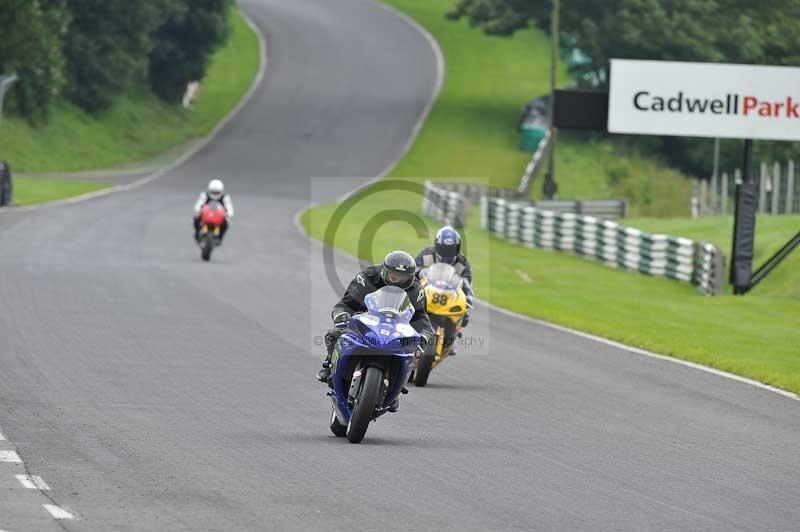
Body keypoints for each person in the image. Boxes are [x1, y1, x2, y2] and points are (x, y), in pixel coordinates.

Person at [317, 251, 435, 395]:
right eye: (393, 276)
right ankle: (329, 366)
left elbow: (422, 320)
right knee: (334, 334)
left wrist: (423, 337)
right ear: (385, 271)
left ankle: (397, 384)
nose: (397, 281)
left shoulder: (416, 290)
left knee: (410, 349)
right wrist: (342, 316)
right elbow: (345, 304)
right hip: (365, 322)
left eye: (403, 279)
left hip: (396, 329)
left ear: (410, 278)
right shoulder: (368, 277)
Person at [416, 225, 475, 324]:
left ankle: (454, 329)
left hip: (450, 298)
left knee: (464, 317)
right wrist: (420, 272)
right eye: (444, 249)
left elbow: (466, 282)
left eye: (452, 249)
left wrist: (469, 297)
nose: (448, 253)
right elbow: (413, 270)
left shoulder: (462, 262)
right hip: (427, 294)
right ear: (437, 246)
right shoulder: (427, 254)